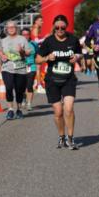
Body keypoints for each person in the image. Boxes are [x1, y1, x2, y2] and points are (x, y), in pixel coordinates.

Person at [36, 15, 83, 149]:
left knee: (68, 108)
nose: (60, 29)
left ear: (66, 26)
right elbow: (37, 59)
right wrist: (47, 58)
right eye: (57, 27)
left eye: (63, 27)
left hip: (68, 79)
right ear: (54, 27)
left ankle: (70, 137)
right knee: (58, 112)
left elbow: (80, 53)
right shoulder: (48, 41)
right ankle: (61, 136)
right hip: (52, 80)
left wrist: (77, 57)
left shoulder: (73, 40)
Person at [0, 21, 32, 120]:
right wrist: (2, 55)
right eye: (9, 28)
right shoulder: (3, 40)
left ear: (16, 28)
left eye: (13, 27)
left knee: (19, 90)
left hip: (20, 68)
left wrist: (22, 51)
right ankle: (10, 109)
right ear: (6, 29)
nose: (11, 29)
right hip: (7, 68)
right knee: (8, 88)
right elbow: (0, 50)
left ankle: (19, 109)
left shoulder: (22, 39)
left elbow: (29, 52)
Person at [30, 16, 46, 95]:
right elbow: (36, 41)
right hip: (35, 50)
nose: (42, 22)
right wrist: (45, 38)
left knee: (36, 68)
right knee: (38, 68)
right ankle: (38, 86)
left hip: (35, 49)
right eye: (40, 20)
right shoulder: (35, 28)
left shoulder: (34, 28)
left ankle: (36, 84)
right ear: (36, 21)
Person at [21, 26, 37, 111]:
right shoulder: (18, 44)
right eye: (23, 35)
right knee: (21, 86)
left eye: (27, 34)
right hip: (20, 67)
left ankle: (29, 103)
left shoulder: (34, 44)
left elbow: (38, 54)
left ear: (29, 35)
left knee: (29, 85)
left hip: (31, 67)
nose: (25, 36)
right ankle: (23, 99)